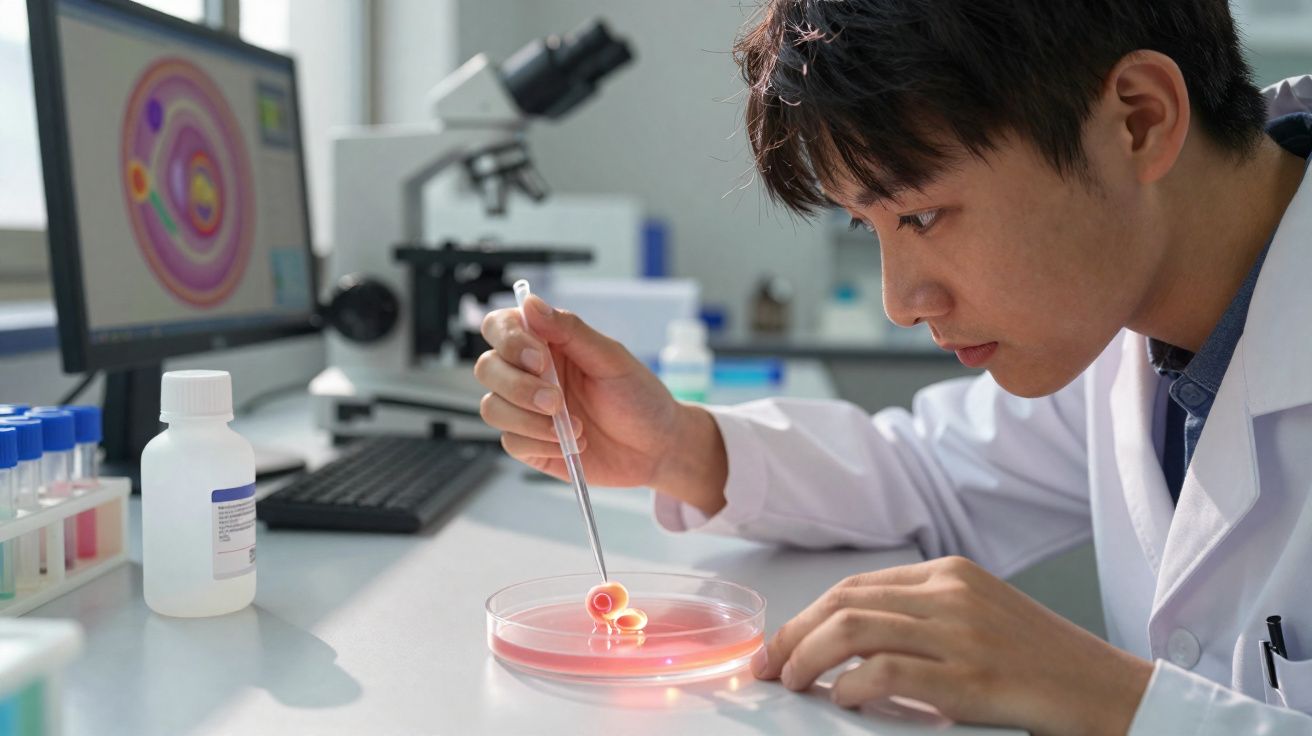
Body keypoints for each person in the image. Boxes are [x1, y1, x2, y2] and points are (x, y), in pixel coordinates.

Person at [474, 1, 1312, 733]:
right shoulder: (1131, 322)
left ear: (1138, 119)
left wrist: (1108, 698)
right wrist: (677, 447)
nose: (901, 302)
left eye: (921, 216)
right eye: (865, 226)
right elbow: (930, 477)